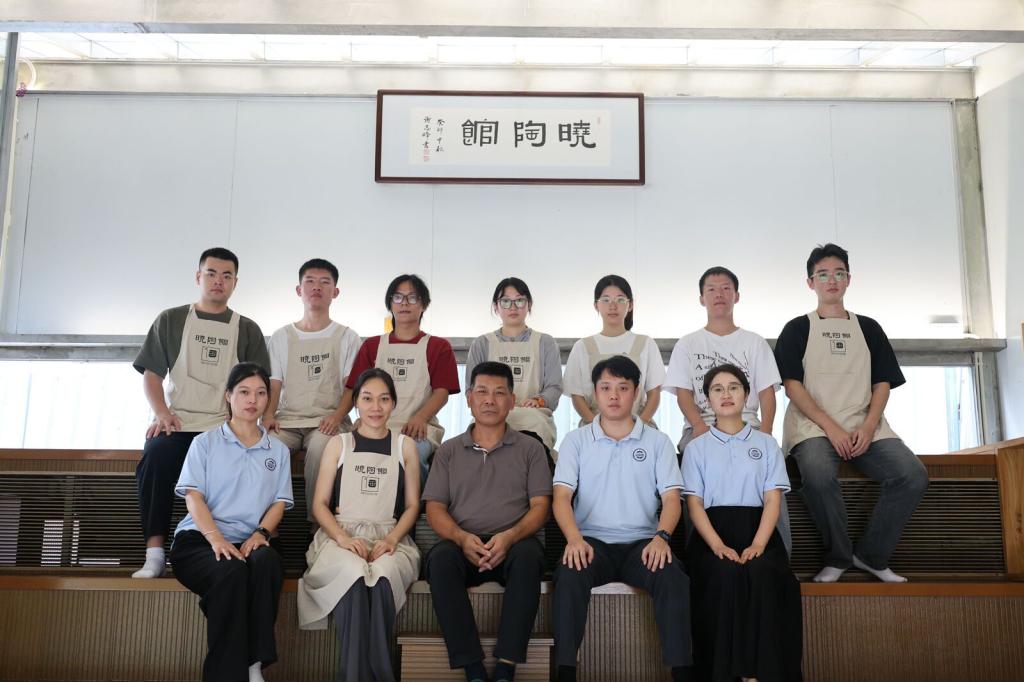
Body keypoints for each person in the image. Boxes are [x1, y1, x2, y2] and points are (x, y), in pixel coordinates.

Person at [774, 243, 928, 583]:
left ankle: (871, 554)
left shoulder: (869, 328)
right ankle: (839, 557)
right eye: (823, 275)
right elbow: (792, 387)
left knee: (912, 474)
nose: (831, 281)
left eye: (838, 273)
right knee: (817, 473)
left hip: (865, 424)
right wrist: (832, 429)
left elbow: (882, 382)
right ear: (810, 282)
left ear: (849, 279)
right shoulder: (797, 329)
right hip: (814, 427)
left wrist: (869, 426)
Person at [552, 355, 693, 682]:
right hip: (591, 543)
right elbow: (561, 498)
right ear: (595, 393)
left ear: (637, 393)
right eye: (605, 388)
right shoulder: (576, 441)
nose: (614, 395)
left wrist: (662, 538)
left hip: (642, 543)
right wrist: (574, 539)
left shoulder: (658, 442)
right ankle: (565, 671)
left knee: (672, 576)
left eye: (623, 388)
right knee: (570, 573)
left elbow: (672, 499)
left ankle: (683, 672)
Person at [133, 247, 270, 578]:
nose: (218, 281)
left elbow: (257, 386)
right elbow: (152, 374)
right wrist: (161, 413)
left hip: (225, 429)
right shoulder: (171, 319)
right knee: (155, 456)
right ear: (198, 277)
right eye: (211, 273)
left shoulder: (247, 328)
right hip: (179, 423)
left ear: (235, 282)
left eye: (226, 275)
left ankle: (242, 546)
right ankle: (154, 552)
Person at [422, 361, 552, 682]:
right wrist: (461, 538)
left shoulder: (531, 449)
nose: (490, 400)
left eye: (499, 393)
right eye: (482, 392)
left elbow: (541, 507)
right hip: (463, 543)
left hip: (515, 542)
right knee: (440, 561)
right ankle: (473, 668)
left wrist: (509, 537)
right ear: (469, 398)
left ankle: (506, 666)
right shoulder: (448, 451)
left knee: (529, 558)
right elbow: (435, 508)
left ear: (512, 400)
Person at [168, 362, 293, 682]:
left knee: (266, 562)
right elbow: (193, 497)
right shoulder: (205, 443)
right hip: (200, 540)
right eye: (244, 392)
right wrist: (216, 538)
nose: (253, 399)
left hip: (251, 539)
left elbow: (279, 502)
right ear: (228, 396)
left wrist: (261, 533)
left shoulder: (278, 450)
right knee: (232, 571)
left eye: (261, 393)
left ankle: (254, 666)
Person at [297, 368, 420, 682]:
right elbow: (319, 505)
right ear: (355, 403)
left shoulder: (405, 446)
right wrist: (342, 538)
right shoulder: (339, 444)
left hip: (390, 536)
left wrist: (391, 540)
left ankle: (376, 674)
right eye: (367, 398)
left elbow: (412, 506)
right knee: (352, 575)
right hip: (340, 535)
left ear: (393, 403)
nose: (375, 407)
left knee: (382, 577)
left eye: (383, 399)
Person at [682, 363, 802, 682]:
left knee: (762, 573)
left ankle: (761, 673)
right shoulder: (696, 448)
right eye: (717, 389)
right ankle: (725, 673)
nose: (726, 394)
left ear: (747, 395)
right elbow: (694, 504)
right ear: (707, 399)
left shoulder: (766, 444)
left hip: (759, 530)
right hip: (712, 533)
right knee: (724, 574)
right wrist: (717, 545)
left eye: (733, 387)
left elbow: (773, 500)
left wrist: (759, 543)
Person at [664, 266, 790, 554]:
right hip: (701, 427)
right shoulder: (688, 343)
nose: (719, 294)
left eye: (725, 289)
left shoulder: (754, 342)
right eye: (711, 289)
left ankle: (781, 556)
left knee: (774, 483)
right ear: (701, 298)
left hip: (749, 427)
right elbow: (683, 394)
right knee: (691, 483)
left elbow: (767, 393)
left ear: (737, 296)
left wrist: (766, 433)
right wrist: (700, 428)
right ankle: (700, 555)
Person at [264, 258, 362, 525]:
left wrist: (336, 416)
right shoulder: (281, 336)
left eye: (324, 282)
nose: (316, 287)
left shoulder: (347, 337)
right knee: (265, 449)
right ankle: (267, 529)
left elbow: (351, 386)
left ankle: (316, 527)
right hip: (287, 420)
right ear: (299, 290)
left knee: (321, 450)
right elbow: (274, 383)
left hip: (327, 421)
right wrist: (268, 415)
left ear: (335, 292)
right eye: (310, 281)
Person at [344, 274, 460, 479]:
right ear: (390, 304)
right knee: (348, 458)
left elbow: (442, 392)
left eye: (412, 298)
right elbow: (356, 389)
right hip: (373, 424)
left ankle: (414, 500)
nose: (404, 303)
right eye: (398, 297)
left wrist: (421, 417)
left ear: (424, 304)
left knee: (411, 455)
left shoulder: (438, 347)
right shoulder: (371, 346)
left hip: (418, 428)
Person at [465, 277, 562, 458]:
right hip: (491, 412)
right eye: (505, 301)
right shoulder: (482, 344)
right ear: (496, 307)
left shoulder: (545, 343)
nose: (513, 307)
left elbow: (554, 387)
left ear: (529, 304)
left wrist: (539, 400)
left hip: (534, 415)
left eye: (519, 300)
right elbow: (471, 390)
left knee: (533, 449)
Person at [563, 275, 665, 426]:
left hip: (639, 425)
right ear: (596, 305)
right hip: (593, 427)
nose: (613, 306)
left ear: (630, 305)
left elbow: (654, 393)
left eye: (620, 299)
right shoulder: (582, 346)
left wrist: (639, 426)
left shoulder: (646, 344)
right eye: (606, 300)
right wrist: (597, 427)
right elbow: (577, 396)